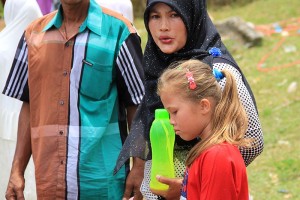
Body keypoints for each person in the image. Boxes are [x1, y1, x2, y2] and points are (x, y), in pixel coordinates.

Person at [115, 0, 264, 199]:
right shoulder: (155, 63)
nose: (163, 26)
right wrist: (140, 167)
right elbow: (149, 122)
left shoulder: (215, 74)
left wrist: (191, 181)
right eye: (155, 16)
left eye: (174, 14)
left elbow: (252, 141)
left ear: (192, 16)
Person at [3, 0, 144, 199]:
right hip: (50, 182)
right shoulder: (32, 35)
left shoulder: (119, 31)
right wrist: (17, 171)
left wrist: (139, 167)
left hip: (102, 183)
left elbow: (137, 105)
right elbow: (28, 105)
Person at [157, 59, 251, 199]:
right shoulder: (207, 151)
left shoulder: (217, 156)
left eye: (175, 112)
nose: (171, 121)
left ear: (204, 106)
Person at [0, 0, 42, 198]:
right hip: (32, 121)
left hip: (4, 122)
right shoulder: (41, 47)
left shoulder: (1, 45)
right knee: (30, 176)